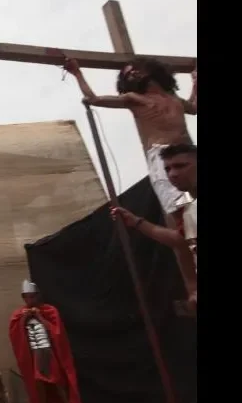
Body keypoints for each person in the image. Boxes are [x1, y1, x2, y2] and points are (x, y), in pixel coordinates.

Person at [63, 57, 197, 295]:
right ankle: (192, 286)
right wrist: (77, 73)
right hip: (163, 156)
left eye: (134, 69)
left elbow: (194, 107)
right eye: (127, 73)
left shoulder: (175, 100)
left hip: (189, 153)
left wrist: (195, 81)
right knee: (182, 223)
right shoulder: (135, 100)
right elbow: (94, 99)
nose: (131, 73)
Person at [111, 143, 198, 306]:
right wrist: (136, 222)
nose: (173, 174)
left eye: (181, 166)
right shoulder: (190, 209)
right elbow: (180, 240)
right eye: (168, 169)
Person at [8, 280, 87, 403]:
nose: (30, 299)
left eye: (33, 296)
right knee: (39, 396)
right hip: (35, 358)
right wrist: (25, 319)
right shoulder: (19, 315)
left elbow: (57, 334)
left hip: (50, 357)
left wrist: (38, 317)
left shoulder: (49, 311)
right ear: (23, 297)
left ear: (38, 295)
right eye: (27, 297)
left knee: (61, 391)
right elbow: (17, 337)